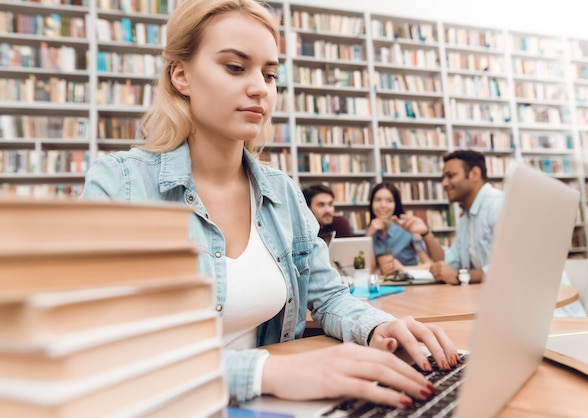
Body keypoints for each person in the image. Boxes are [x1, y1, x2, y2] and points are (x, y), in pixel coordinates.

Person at [80, 0, 459, 409]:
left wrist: (380, 327)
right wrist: (265, 372)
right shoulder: (120, 184)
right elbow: (93, 350)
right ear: (181, 75)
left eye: (270, 73)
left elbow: (329, 298)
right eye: (235, 67)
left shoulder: (283, 193)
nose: (260, 87)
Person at [421, 150, 504, 285]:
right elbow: (451, 262)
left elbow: (510, 266)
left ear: (474, 174)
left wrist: (462, 276)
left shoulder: (499, 205)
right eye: (443, 178)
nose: (444, 183)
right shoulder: (466, 218)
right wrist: (425, 233)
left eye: (450, 176)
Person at [365, 182, 432, 276]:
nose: (383, 205)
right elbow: (368, 271)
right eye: (378, 200)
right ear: (371, 204)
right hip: (386, 286)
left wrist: (403, 269)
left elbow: (429, 265)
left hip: (410, 283)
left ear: (396, 204)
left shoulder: (407, 228)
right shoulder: (370, 231)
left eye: (389, 201)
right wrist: (369, 236)